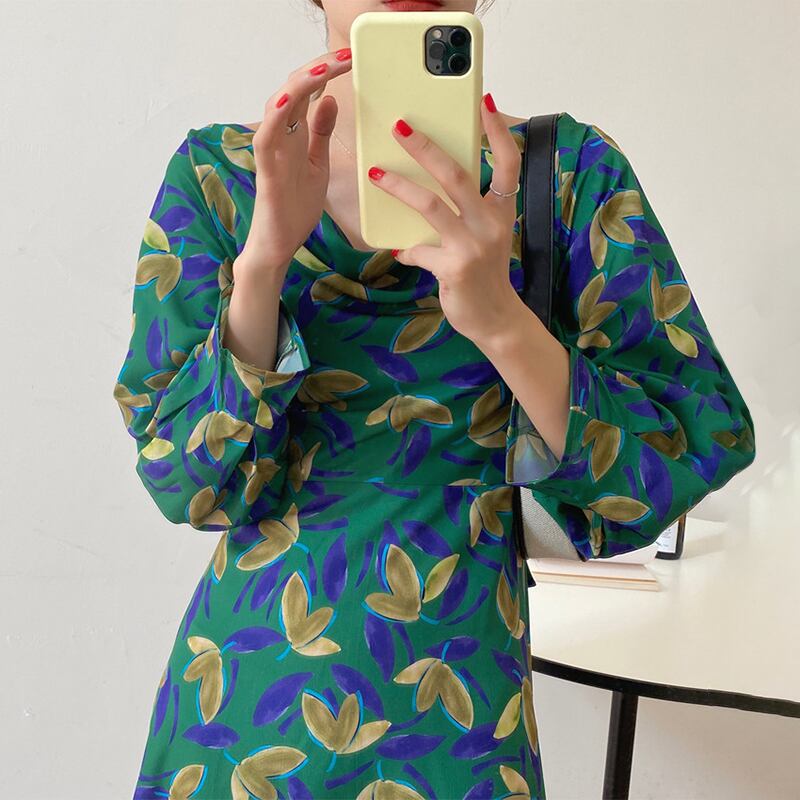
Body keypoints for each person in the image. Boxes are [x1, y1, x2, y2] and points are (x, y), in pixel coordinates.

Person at [112, 1, 756, 797]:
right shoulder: (219, 178)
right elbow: (186, 482)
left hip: (460, 721)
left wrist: (501, 320)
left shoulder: (569, 177)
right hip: (244, 714)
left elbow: (681, 456)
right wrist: (264, 264)